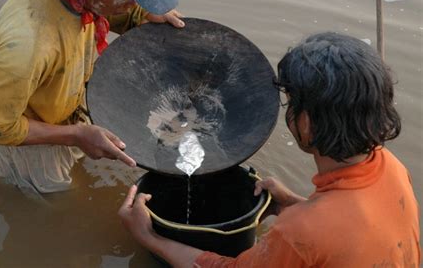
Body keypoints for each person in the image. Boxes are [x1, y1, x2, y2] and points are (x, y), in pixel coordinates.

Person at [118, 32, 421, 267]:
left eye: (291, 102)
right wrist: (293, 203)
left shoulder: (301, 232)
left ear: (308, 122)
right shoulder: (390, 166)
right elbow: (351, 232)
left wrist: (149, 236)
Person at [0, 0, 184, 195]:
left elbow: (104, 6)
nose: (135, 5)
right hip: (30, 139)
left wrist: (142, 16)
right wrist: (75, 135)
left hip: (66, 107)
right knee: (55, 204)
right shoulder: (27, 46)